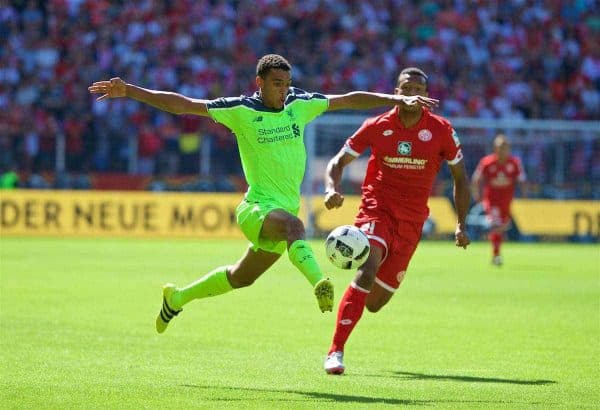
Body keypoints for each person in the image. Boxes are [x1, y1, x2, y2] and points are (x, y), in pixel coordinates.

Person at [88, 54, 439, 334]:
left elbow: (348, 99)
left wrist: (395, 98)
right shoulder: (241, 110)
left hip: (282, 209)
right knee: (295, 229)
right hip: (256, 207)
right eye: (276, 84)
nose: (283, 90)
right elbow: (183, 105)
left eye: (286, 84)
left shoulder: (299, 104)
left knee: (242, 277)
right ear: (259, 82)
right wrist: (130, 91)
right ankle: (321, 283)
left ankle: (177, 298)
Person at [322, 67, 471, 375]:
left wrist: (461, 223)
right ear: (395, 91)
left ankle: (355, 309)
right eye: (406, 88)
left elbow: (460, 177)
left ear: (428, 96)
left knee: (375, 303)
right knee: (367, 267)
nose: (413, 93)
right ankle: (335, 351)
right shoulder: (376, 125)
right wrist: (331, 188)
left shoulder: (442, 130)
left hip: (412, 223)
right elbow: (338, 162)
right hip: (377, 211)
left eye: (419, 88)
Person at [471, 134, 526, 266]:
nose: (503, 150)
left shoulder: (514, 163)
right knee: (496, 224)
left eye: (505, 147)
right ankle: (496, 255)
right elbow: (476, 179)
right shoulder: (487, 162)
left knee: (502, 226)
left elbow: (522, 180)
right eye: (500, 147)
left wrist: (524, 194)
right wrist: (476, 195)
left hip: (507, 201)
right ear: (495, 148)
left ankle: (494, 240)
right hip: (491, 200)